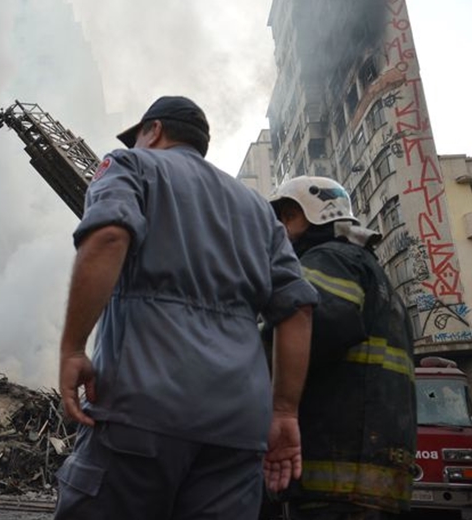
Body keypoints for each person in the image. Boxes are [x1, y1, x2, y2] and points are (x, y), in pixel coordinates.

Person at [54, 95, 318, 520]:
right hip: (237, 428)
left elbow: (107, 237)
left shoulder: (131, 166)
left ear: (153, 130)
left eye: (139, 136)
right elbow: (297, 310)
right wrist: (284, 410)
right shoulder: (257, 210)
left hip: (141, 406)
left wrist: (72, 348)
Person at [266, 176, 416, 519]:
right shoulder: (371, 271)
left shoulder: (329, 261)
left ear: (298, 215)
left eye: (283, 219)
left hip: (335, 479)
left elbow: (305, 329)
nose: (279, 232)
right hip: (373, 478)